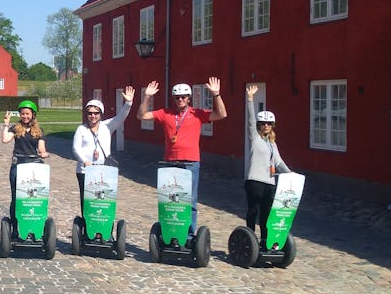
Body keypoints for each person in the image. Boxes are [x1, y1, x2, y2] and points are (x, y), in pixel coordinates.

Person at [136, 78, 228, 232]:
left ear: (189, 98)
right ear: (174, 99)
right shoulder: (165, 113)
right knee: (169, 200)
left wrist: (216, 95)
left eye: (184, 97)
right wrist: (147, 97)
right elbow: (141, 115)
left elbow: (222, 114)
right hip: (170, 162)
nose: (180, 100)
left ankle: (190, 236)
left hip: (190, 162)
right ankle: (169, 231)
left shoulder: (197, 114)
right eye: (177, 97)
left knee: (189, 201)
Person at [72, 86, 136, 216]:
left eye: (96, 113)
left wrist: (128, 103)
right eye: (90, 113)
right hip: (85, 171)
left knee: (105, 200)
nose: (93, 116)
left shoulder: (107, 126)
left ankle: (106, 228)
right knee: (88, 201)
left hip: (104, 170)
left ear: (101, 114)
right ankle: (87, 229)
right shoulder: (81, 129)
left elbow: (121, 117)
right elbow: (75, 148)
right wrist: (84, 161)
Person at [244, 85, 292, 250]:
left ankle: (265, 241)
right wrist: (250, 99)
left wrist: (290, 173)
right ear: (259, 125)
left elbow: (278, 162)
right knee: (253, 212)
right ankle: (250, 239)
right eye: (263, 123)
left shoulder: (272, 143)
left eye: (268, 124)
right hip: (254, 181)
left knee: (266, 215)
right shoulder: (255, 138)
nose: (265, 126)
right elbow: (250, 120)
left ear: (272, 125)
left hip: (269, 183)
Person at [1, 100, 49, 234]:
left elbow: (41, 147)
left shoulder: (39, 131)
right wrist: (6, 124)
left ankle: (34, 223)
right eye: (22, 114)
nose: (25, 116)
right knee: (17, 197)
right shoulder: (15, 128)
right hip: (18, 164)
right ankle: (16, 226)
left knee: (34, 197)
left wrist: (43, 153)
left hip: (34, 165)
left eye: (27, 114)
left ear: (33, 115)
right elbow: (5, 140)